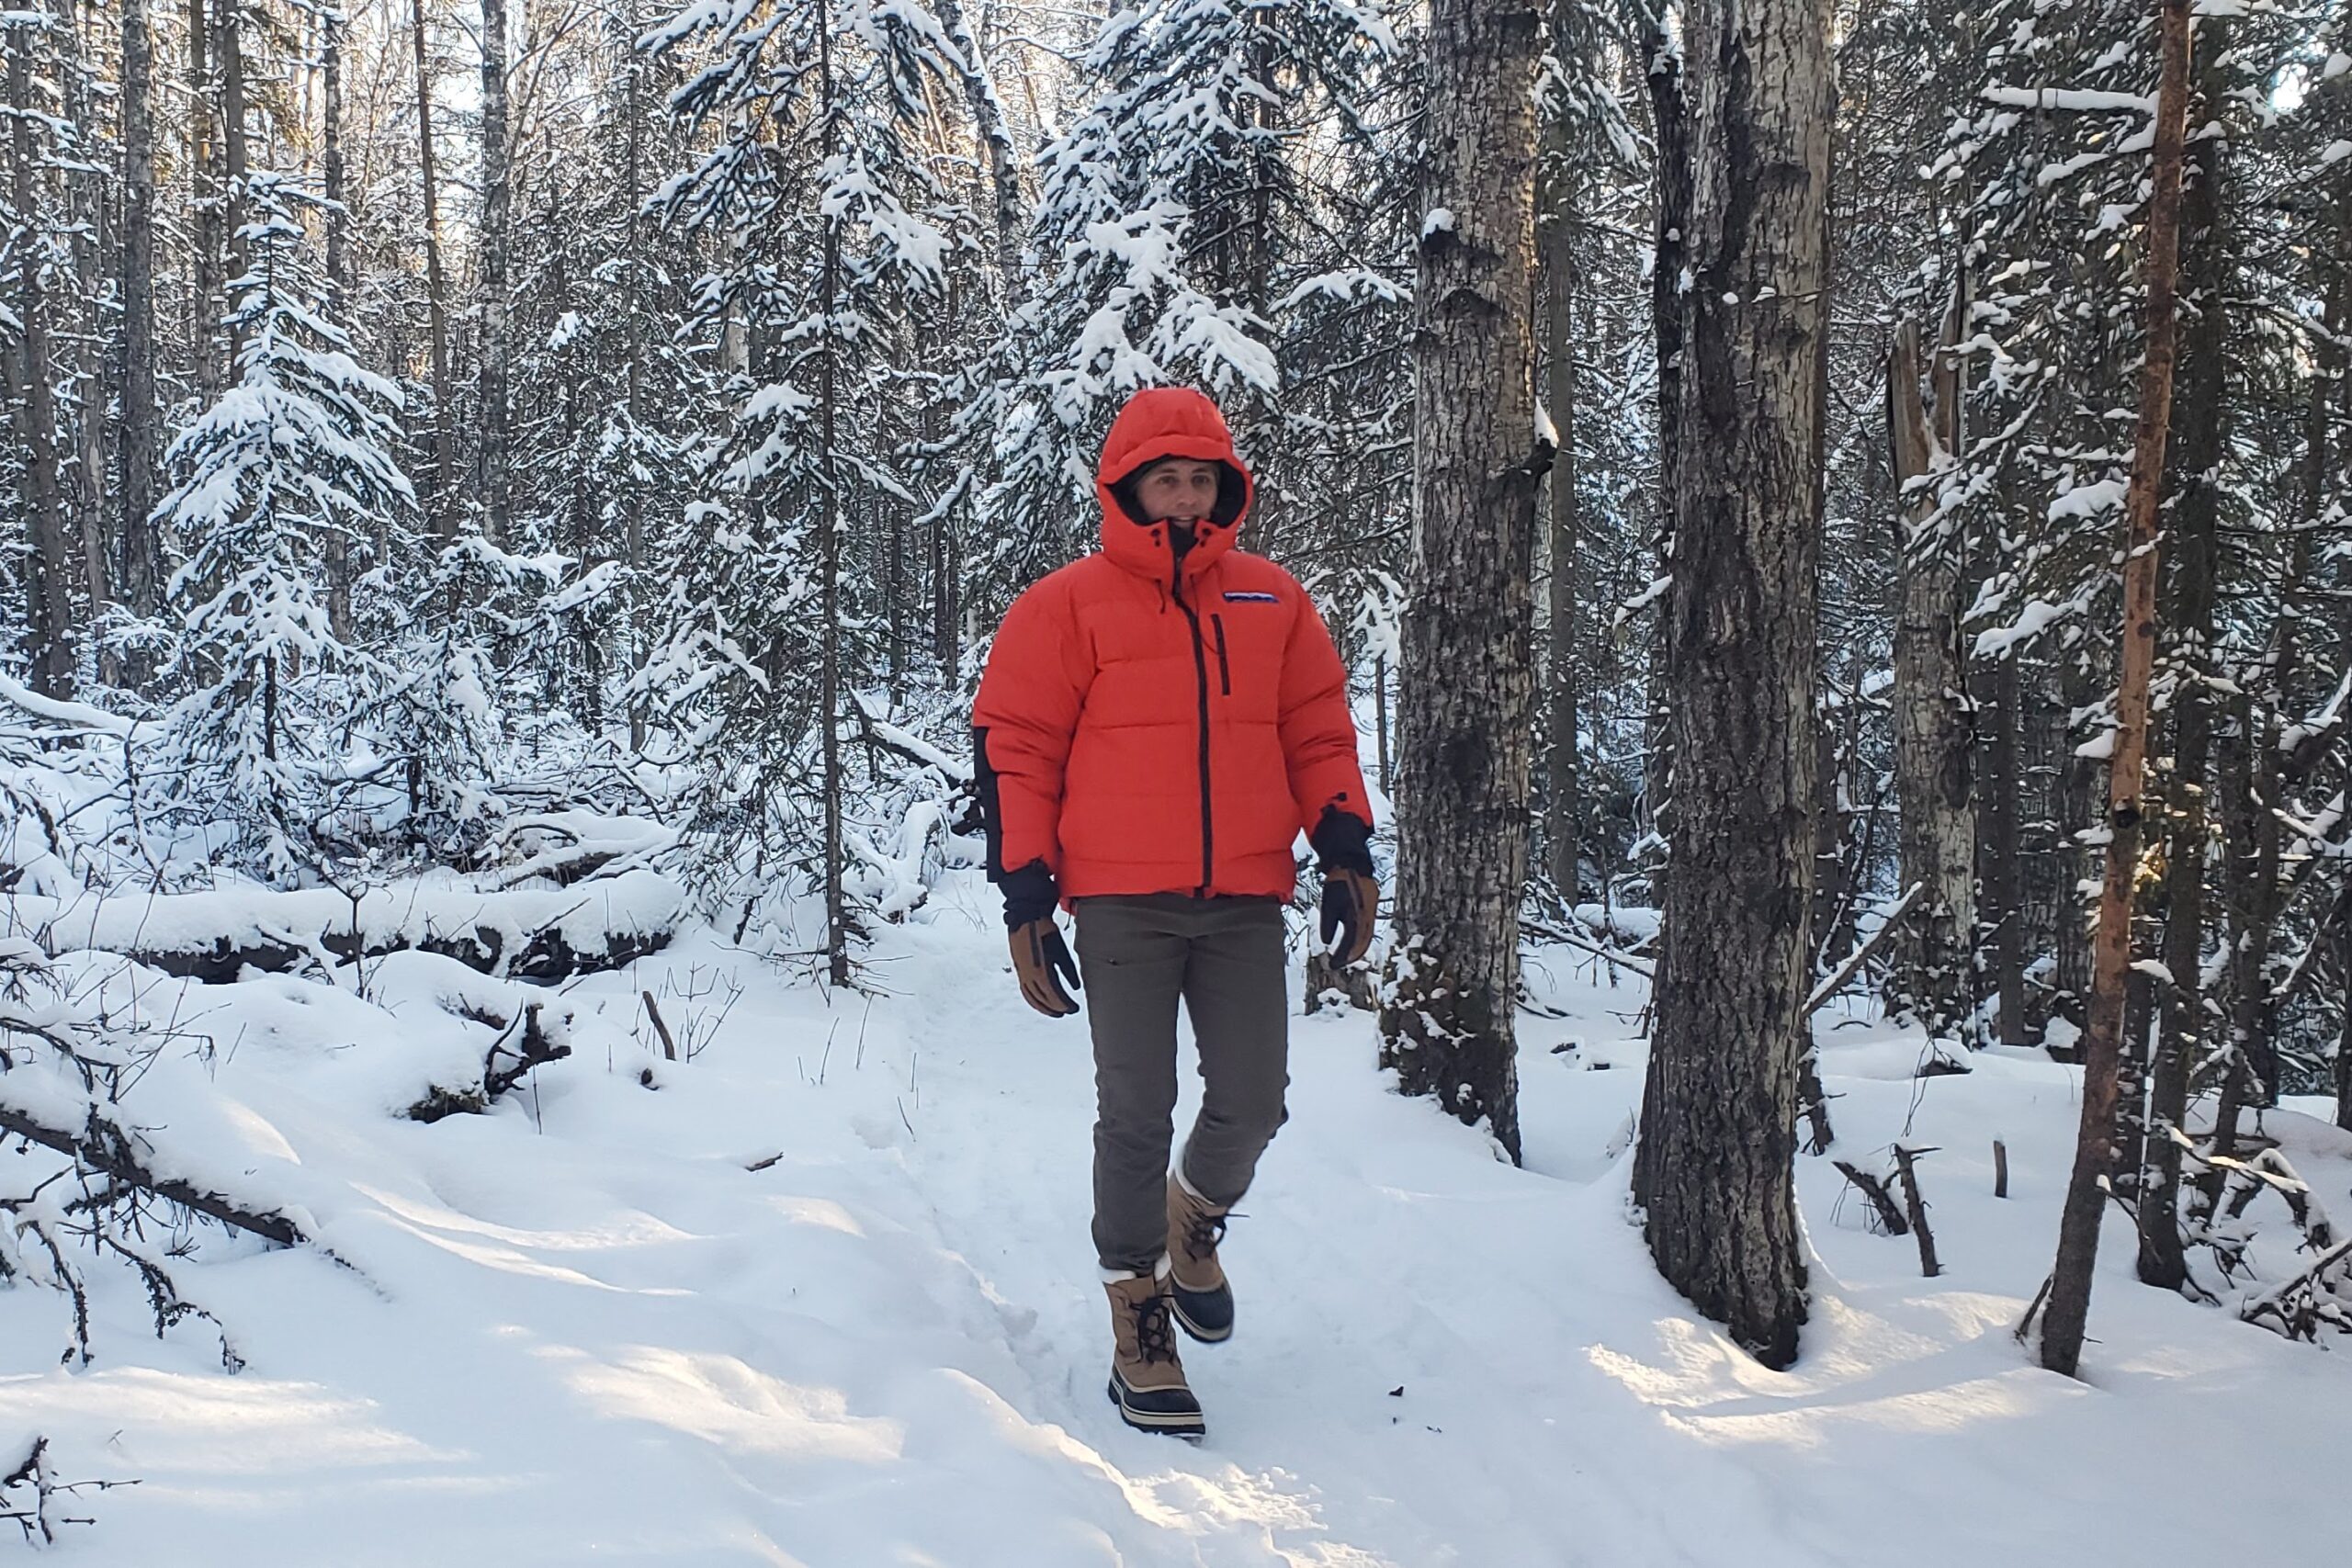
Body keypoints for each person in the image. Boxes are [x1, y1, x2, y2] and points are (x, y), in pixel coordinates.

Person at [970, 386, 1379, 1438]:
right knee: (1135, 1112)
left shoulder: (1273, 600)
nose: (1185, 496)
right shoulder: (1065, 605)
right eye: (1166, 479)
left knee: (1253, 1099)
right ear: (1127, 489)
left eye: (1202, 478)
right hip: (1118, 902)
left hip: (1244, 894)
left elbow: (1317, 731)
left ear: (1226, 488)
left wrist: (1343, 848)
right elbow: (1017, 746)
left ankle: (1192, 1223)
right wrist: (1027, 894)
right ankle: (1136, 1316)